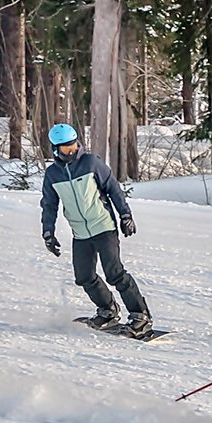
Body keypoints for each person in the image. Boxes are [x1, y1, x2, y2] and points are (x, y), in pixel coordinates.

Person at [39, 123, 153, 338]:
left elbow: (113, 189)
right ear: (55, 149)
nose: (71, 151)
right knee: (84, 277)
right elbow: (49, 205)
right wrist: (48, 232)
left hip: (103, 226)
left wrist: (125, 215)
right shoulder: (53, 174)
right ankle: (108, 310)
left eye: (73, 145)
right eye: (66, 148)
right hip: (80, 233)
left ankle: (141, 316)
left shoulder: (90, 163)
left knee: (114, 273)